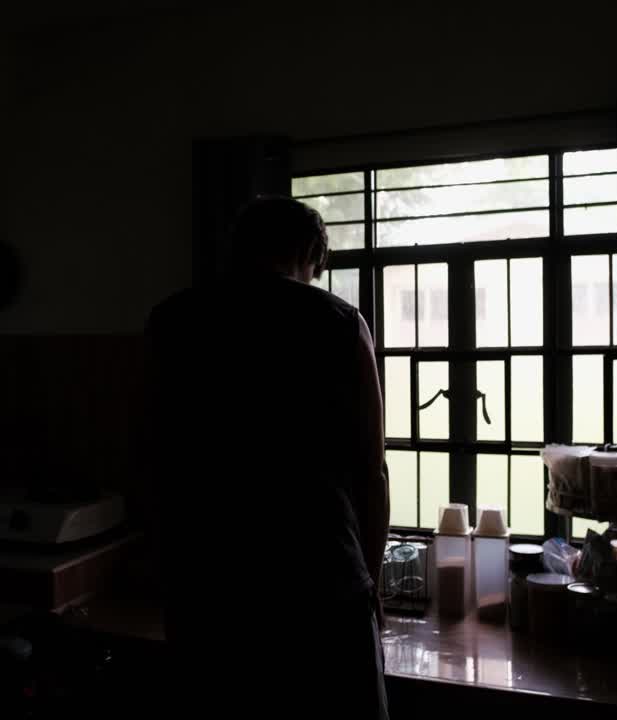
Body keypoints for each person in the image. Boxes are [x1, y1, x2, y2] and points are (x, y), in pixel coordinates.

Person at [144, 196, 389, 718]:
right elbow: (373, 466)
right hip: (319, 575)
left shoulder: (171, 321)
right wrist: (368, 580)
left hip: (207, 576)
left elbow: (152, 454)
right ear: (308, 253)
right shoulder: (338, 322)